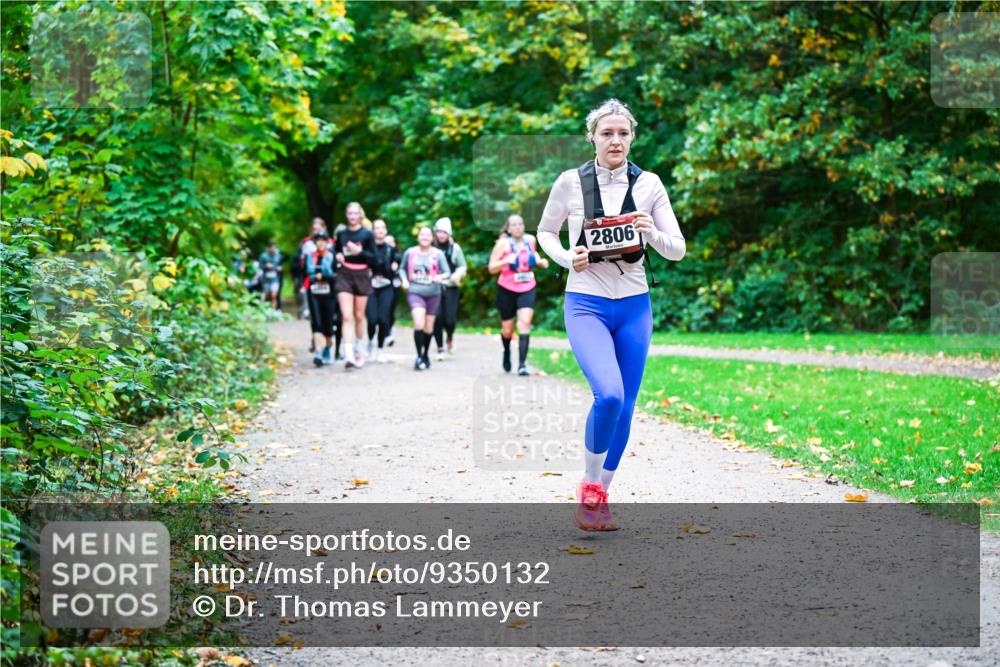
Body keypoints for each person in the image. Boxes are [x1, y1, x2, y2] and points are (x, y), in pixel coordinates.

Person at [536, 98, 686, 531]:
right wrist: (568, 258)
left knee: (627, 407)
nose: (615, 140)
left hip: (635, 305)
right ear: (592, 138)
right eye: (607, 133)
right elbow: (545, 232)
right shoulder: (569, 182)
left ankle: (600, 495)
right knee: (611, 395)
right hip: (586, 301)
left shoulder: (650, 184)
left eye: (622, 133)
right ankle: (589, 486)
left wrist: (650, 231)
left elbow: (677, 250)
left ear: (632, 137)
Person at [488, 214, 548, 376]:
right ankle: (507, 351)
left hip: (527, 286)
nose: (517, 227)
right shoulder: (502, 244)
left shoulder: (530, 240)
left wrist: (541, 262)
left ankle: (522, 364)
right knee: (507, 330)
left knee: (525, 322)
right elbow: (491, 268)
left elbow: (534, 258)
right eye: (514, 225)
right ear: (508, 228)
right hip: (506, 289)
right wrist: (506, 260)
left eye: (520, 224)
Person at [398, 226, 451, 370]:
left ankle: (426, 354)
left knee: (428, 328)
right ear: (418, 237)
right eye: (422, 235)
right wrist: (404, 280)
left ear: (432, 238)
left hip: (434, 293)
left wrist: (441, 277)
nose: (425, 237)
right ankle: (418, 356)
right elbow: (401, 269)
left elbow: (447, 272)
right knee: (419, 324)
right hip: (415, 292)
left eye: (428, 235)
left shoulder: (438, 254)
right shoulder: (410, 252)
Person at [335, 202, 376, 369]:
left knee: (359, 316)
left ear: (360, 215)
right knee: (346, 316)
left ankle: (359, 344)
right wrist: (338, 256)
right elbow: (337, 251)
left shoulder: (367, 234)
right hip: (344, 274)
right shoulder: (341, 234)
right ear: (346, 215)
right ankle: (349, 354)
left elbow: (374, 257)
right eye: (350, 213)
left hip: (362, 275)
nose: (352, 217)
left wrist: (360, 252)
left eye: (355, 214)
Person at [430, 217, 468, 361]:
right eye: (439, 232)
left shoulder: (455, 248)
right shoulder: (431, 247)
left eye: (444, 232)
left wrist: (457, 275)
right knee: (437, 318)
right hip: (434, 288)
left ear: (449, 234)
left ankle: (450, 337)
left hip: (451, 287)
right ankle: (440, 348)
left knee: (449, 319)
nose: (441, 235)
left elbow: (462, 265)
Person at [365, 219, 401, 362]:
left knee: (383, 319)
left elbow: (398, 261)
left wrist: (396, 265)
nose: (380, 230)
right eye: (377, 228)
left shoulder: (390, 249)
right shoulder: (368, 248)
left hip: (387, 287)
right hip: (371, 287)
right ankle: (370, 341)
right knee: (372, 320)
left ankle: (380, 349)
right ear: (373, 231)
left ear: (386, 231)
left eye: (383, 228)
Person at [305, 232, 338, 367]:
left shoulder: (332, 256)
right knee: (317, 322)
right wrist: (314, 277)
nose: (320, 243)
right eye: (318, 240)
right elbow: (306, 273)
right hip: (314, 293)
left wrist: (324, 275)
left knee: (328, 324)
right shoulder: (310, 257)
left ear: (327, 242)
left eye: (323, 240)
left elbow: (336, 274)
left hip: (329, 294)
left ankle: (328, 348)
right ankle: (318, 353)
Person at [384, 234, 400, 347]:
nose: (389, 245)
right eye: (387, 242)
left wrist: (397, 269)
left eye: (391, 242)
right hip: (383, 287)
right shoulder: (381, 256)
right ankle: (385, 333)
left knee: (391, 309)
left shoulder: (399, 257)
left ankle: (390, 331)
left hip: (395, 286)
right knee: (384, 311)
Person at [258, 241, 284, 310]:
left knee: (273, 295)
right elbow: (260, 266)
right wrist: (266, 266)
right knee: (267, 296)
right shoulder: (263, 256)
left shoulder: (278, 255)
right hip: (266, 279)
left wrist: (279, 268)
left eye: (274, 247)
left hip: (275, 278)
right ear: (268, 248)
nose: (273, 249)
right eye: (272, 247)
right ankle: (267, 310)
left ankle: (273, 311)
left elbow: (281, 265)